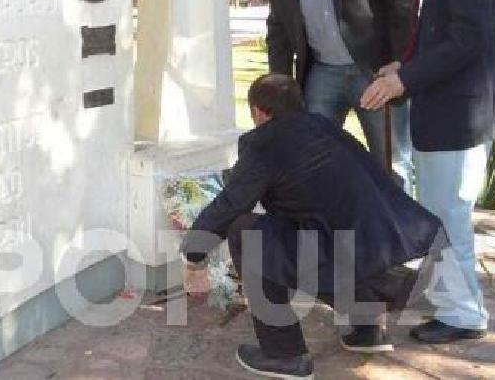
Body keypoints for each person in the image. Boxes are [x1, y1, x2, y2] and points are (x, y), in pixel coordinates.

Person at [180, 73, 443, 378]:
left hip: (343, 251)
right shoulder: (324, 126)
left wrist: (194, 258)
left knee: (246, 232)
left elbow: (230, 205)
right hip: (388, 241)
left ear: (258, 111)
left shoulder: (264, 142)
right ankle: (366, 324)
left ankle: (284, 354)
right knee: (310, 237)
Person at [360, 0, 495, 344]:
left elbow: (467, 39)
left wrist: (405, 81)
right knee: (441, 210)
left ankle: (462, 314)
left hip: (462, 113)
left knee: (448, 212)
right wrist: (404, 65)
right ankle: (452, 301)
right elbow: (436, 30)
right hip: (449, 108)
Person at [260, 0, 416, 192]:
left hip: (373, 72)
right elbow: (279, 28)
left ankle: (400, 236)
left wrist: (399, 63)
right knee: (312, 160)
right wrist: (279, 86)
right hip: (322, 74)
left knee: (392, 163)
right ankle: (330, 234)